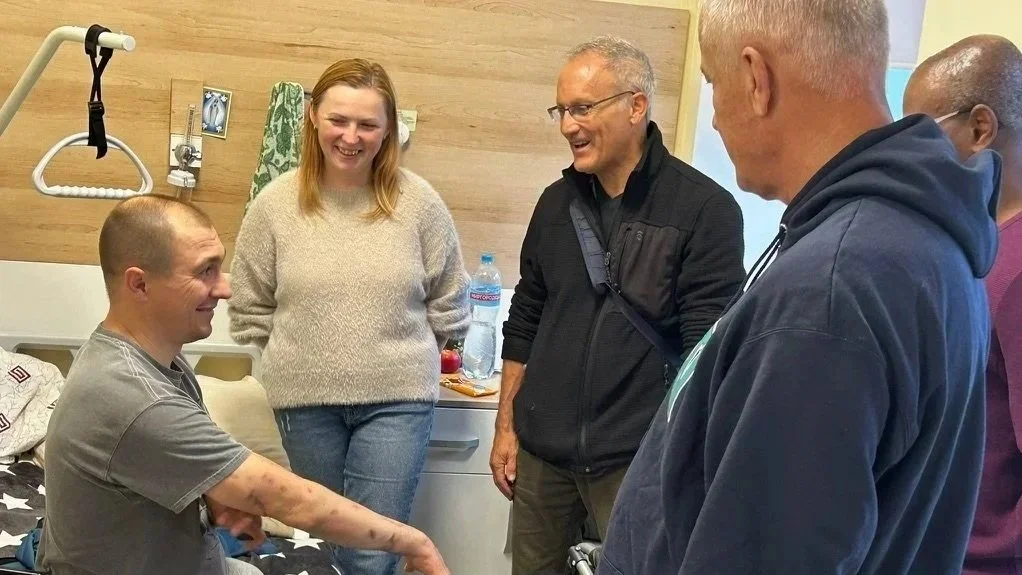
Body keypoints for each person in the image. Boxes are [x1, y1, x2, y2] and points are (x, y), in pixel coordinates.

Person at [596, 1, 1002, 573]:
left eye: (713, 84)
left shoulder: (831, 291)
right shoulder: (915, 245)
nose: (713, 117)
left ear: (756, 78)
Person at [36, 195, 449, 575]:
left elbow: (176, 465)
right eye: (205, 272)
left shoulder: (160, 361)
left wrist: (218, 497)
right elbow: (290, 499)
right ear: (140, 284)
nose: (226, 288)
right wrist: (415, 543)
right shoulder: (133, 397)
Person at [492, 35, 746, 574]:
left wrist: (686, 463)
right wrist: (506, 428)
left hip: (637, 463)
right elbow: (526, 318)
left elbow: (708, 354)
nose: (567, 126)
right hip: (542, 460)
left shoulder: (705, 209)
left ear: (636, 106)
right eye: (561, 110)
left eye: (582, 108)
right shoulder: (555, 203)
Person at [227, 58, 470, 574]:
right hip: (305, 402)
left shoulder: (420, 205)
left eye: (368, 124)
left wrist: (429, 349)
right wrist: (299, 353)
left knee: (369, 551)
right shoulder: (273, 206)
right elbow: (250, 303)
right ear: (313, 117)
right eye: (339, 120)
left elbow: (451, 298)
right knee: (321, 545)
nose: (351, 137)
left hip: (396, 399)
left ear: (389, 131)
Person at [903, 34, 1022, 575]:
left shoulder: (1018, 271)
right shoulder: (977, 248)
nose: (905, 155)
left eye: (920, 133)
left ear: (980, 128)